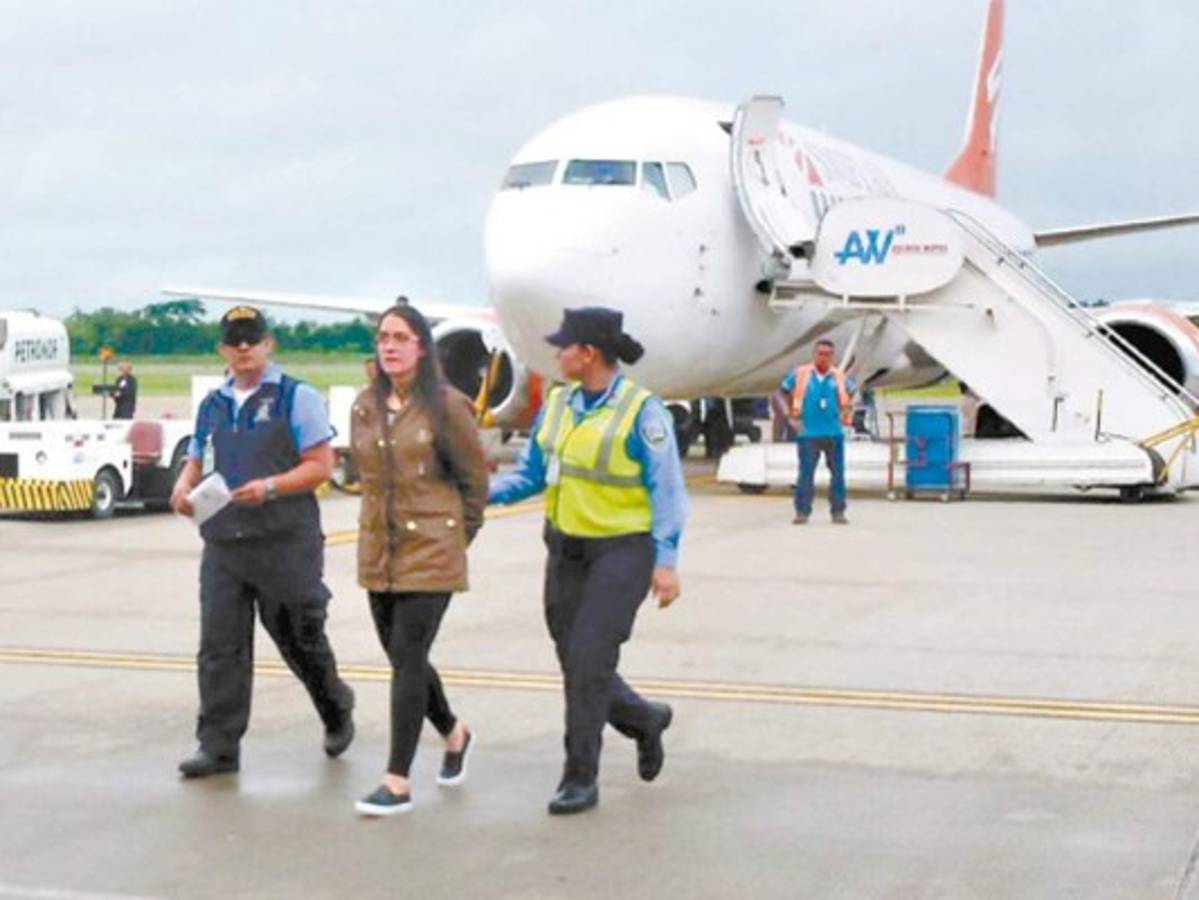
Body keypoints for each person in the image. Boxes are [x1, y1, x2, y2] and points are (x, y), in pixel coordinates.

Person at [489, 306, 687, 816]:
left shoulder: (642, 412)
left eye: (564, 345)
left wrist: (665, 561)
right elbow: (531, 473)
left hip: (623, 551)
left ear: (589, 353)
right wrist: (481, 494)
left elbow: (667, 491)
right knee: (578, 664)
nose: (556, 353)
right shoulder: (557, 404)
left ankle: (579, 777)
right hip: (565, 550)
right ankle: (644, 719)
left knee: (589, 660)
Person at [169, 305, 356, 778]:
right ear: (223, 350)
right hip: (226, 543)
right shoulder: (213, 404)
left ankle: (335, 706)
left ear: (269, 344)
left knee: (298, 636)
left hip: (283, 540)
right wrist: (182, 485)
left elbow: (320, 464)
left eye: (253, 339)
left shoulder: (296, 396)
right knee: (220, 646)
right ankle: (218, 745)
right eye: (235, 341)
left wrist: (271, 486)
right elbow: (197, 458)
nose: (244, 349)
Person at [351, 301, 489, 817]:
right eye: (383, 337)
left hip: (431, 547)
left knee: (407, 658)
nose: (389, 346)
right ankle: (454, 733)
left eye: (400, 337)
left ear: (421, 347)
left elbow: (475, 483)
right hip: (380, 550)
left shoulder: (447, 406)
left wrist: (455, 539)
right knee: (402, 656)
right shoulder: (365, 405)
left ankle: (397, 780)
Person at [778, 338, 853, 525]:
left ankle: (838, 511)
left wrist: (844, 413)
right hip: (808, 433)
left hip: (833, 432)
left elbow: (851, 392)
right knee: (805, 473)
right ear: (813, 355)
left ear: (833, 356)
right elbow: (780, 393)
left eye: (828, 354)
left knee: (838, 474)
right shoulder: (800, 374)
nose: (824, 358)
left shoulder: (839, 376)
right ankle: (802, 511)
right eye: (820, 353)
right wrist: (789, 417)